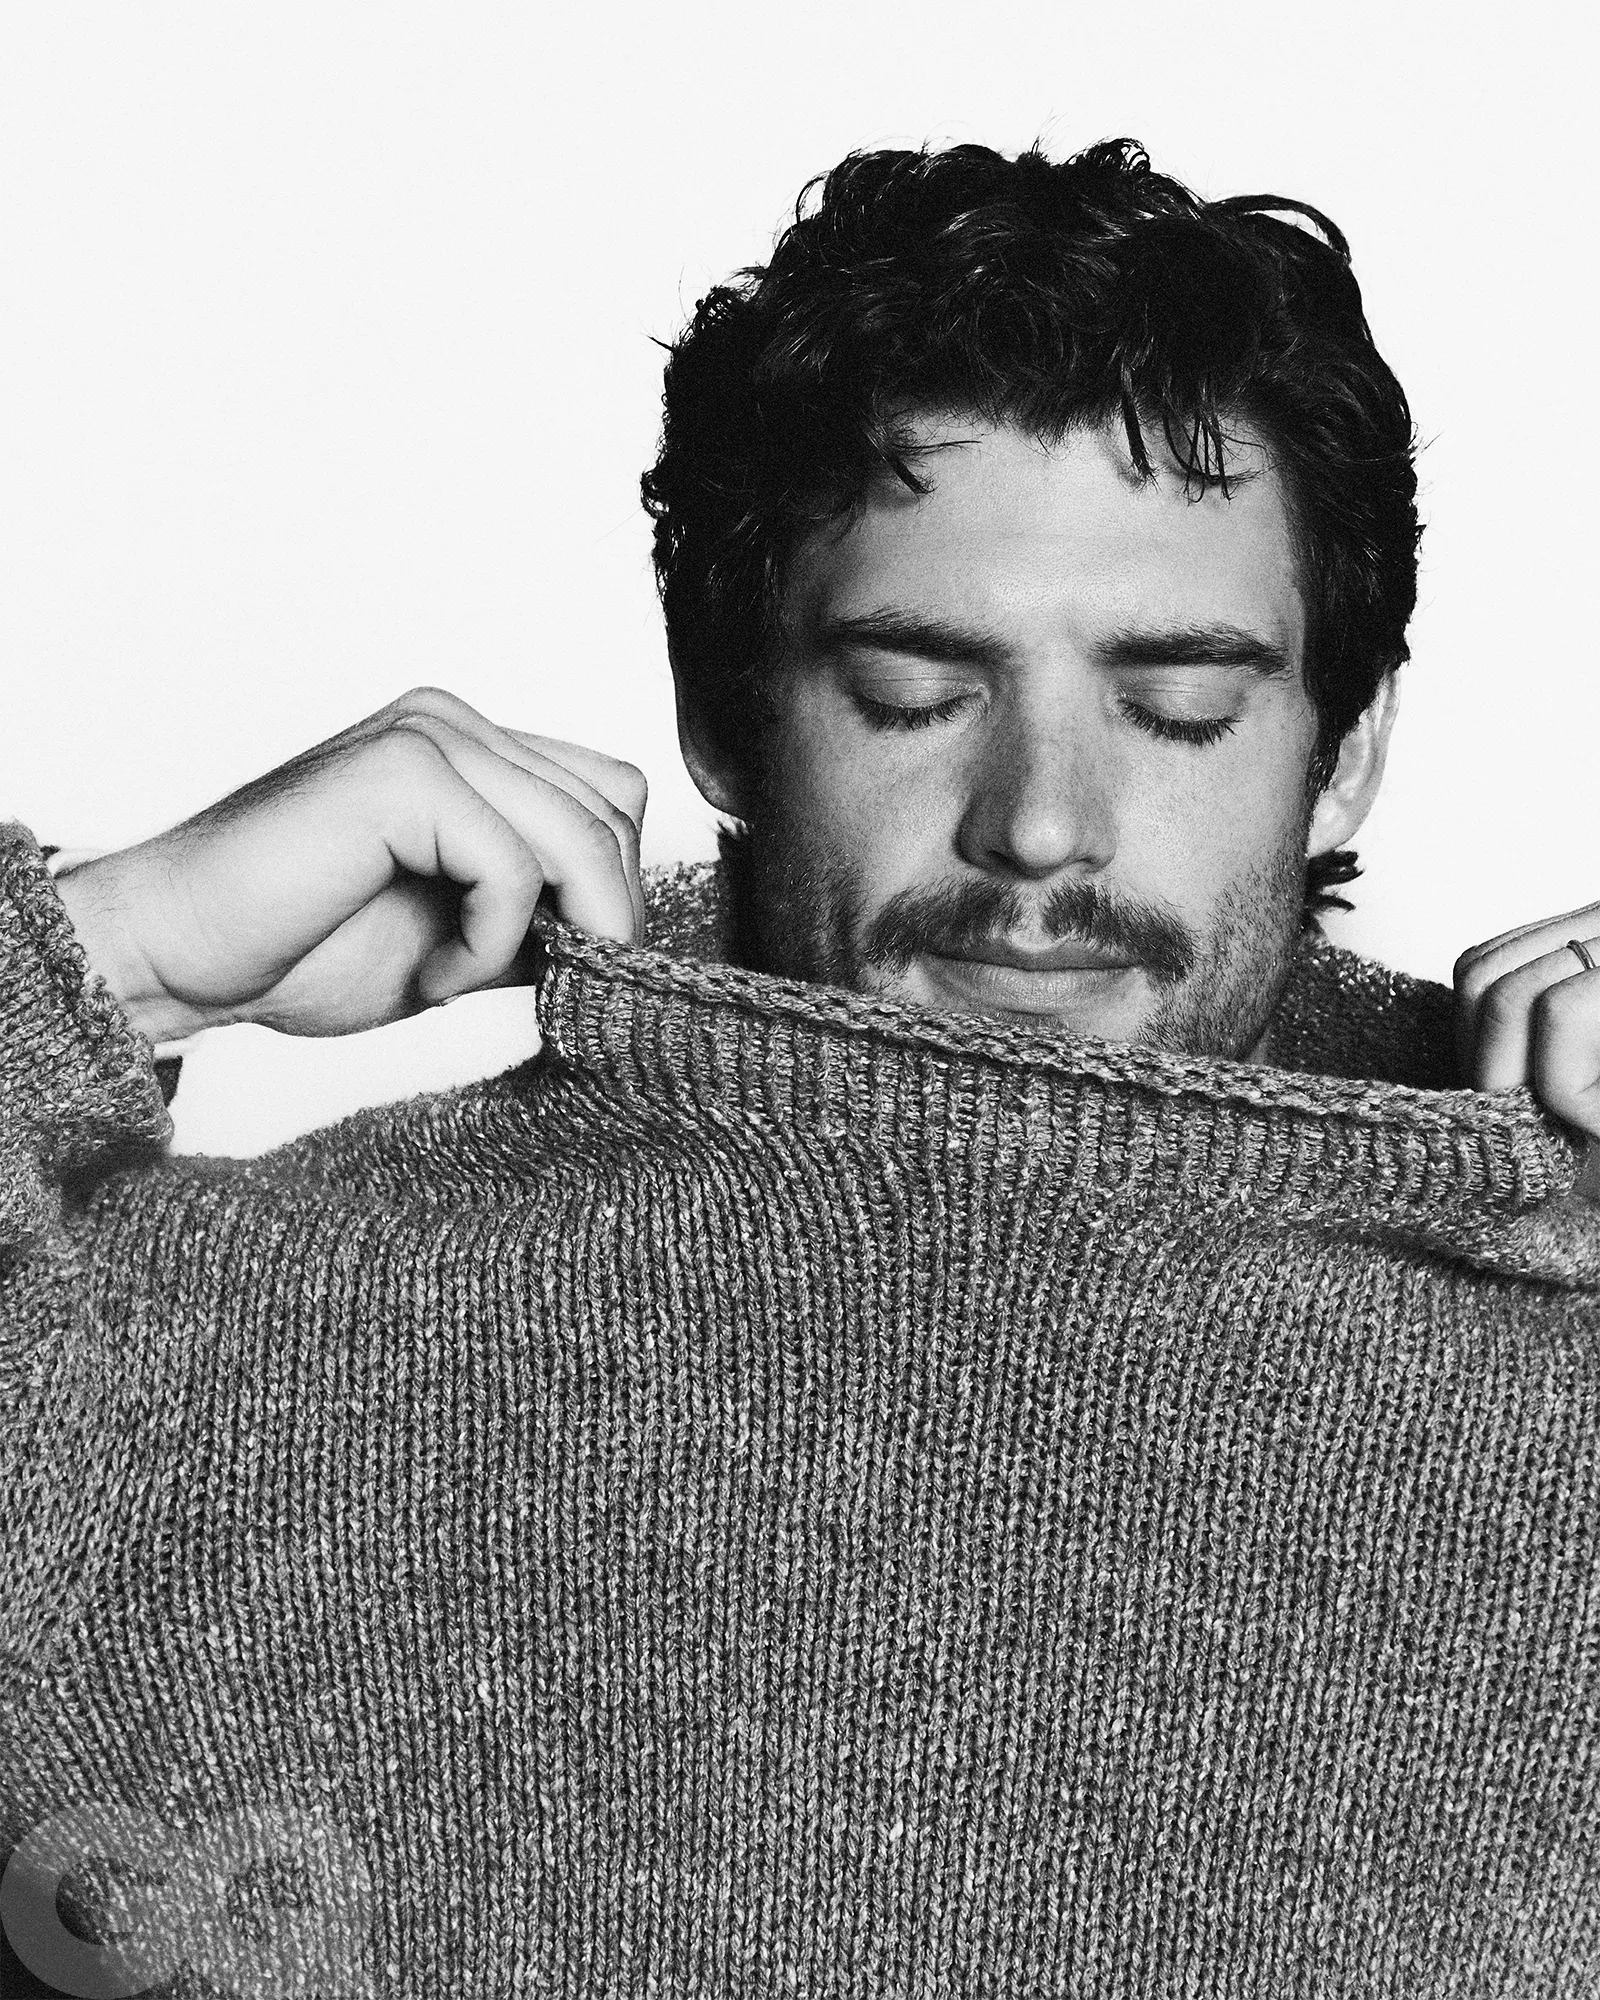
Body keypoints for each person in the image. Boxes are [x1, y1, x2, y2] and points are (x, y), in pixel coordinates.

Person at [3, 138, 1599, 1998]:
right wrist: (107, 954)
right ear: (722, 710)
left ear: (1345, 754)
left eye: (1177, 707)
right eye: (916, 693)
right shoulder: (199, 1347)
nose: (1041, 823)